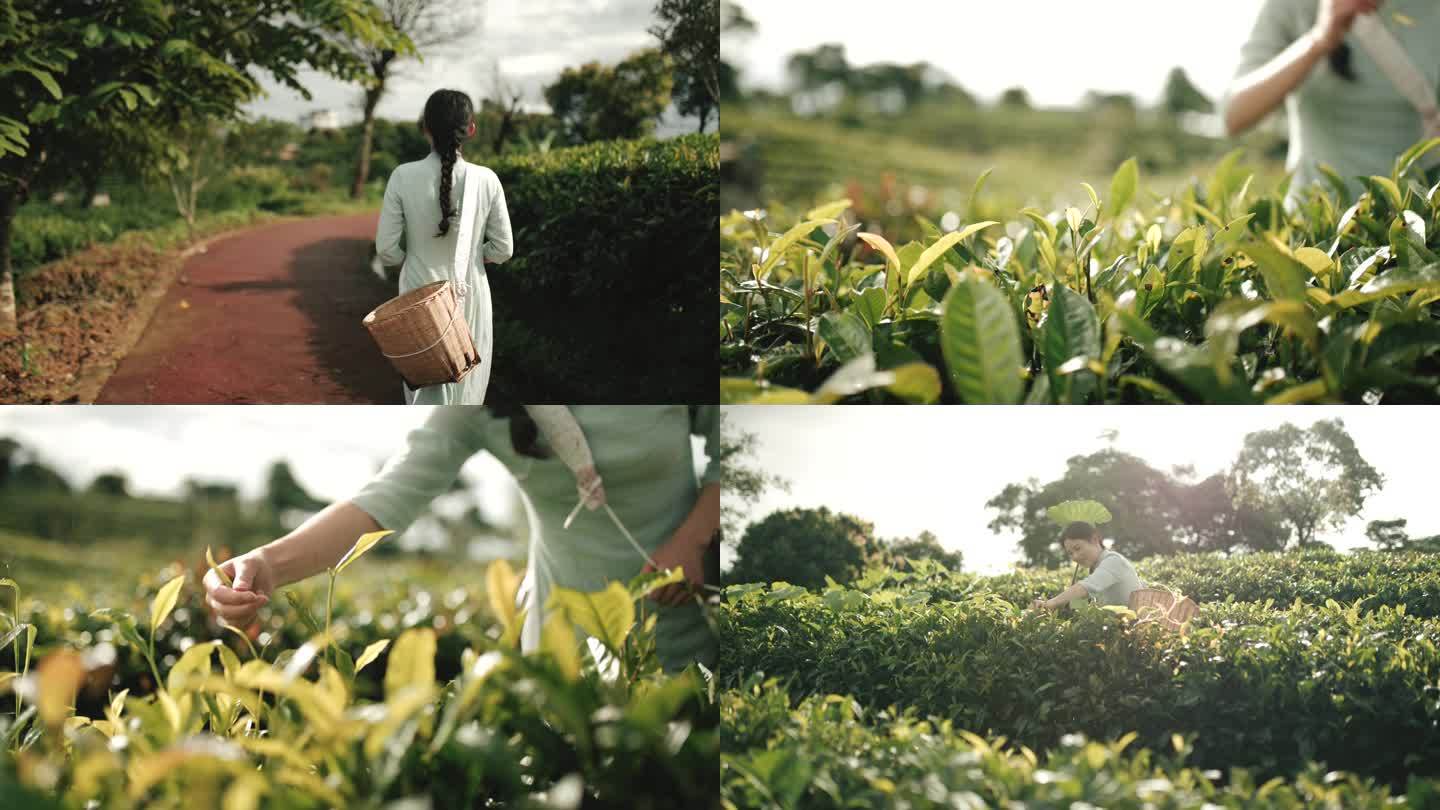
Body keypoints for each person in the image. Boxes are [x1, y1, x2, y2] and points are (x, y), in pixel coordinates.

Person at [202, 406, 720, 674]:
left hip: (688, 620)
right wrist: (267, 564)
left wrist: (694, 541)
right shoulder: (480, 390)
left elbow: (732, 446)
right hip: (565, 643)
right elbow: (385, 498)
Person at [1219, 0, 1440, 205]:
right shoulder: (1292, 6)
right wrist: (1319, 39)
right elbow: (1233, 114)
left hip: (1416, 228)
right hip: (1317, 227)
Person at [375, 89, 514, 405]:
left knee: (422, 390)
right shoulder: (487, 179)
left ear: (425, 127)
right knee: (468, 391)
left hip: (417, 294)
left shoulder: (402, 176)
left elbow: (386, 249)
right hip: (470, 295)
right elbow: (504, 249)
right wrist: (477, 259)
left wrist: (412, 259)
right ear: (471, 129)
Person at [1031, 521, 1143, 612]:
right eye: (1070, 553)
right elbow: (1092, 604)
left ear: (1094, 540)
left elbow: (1086, 587)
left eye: (1077, 548)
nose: (1075, 556)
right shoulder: (1096, 568)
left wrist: (1051, 603)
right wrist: (1066, 604)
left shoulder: (1113, 561)